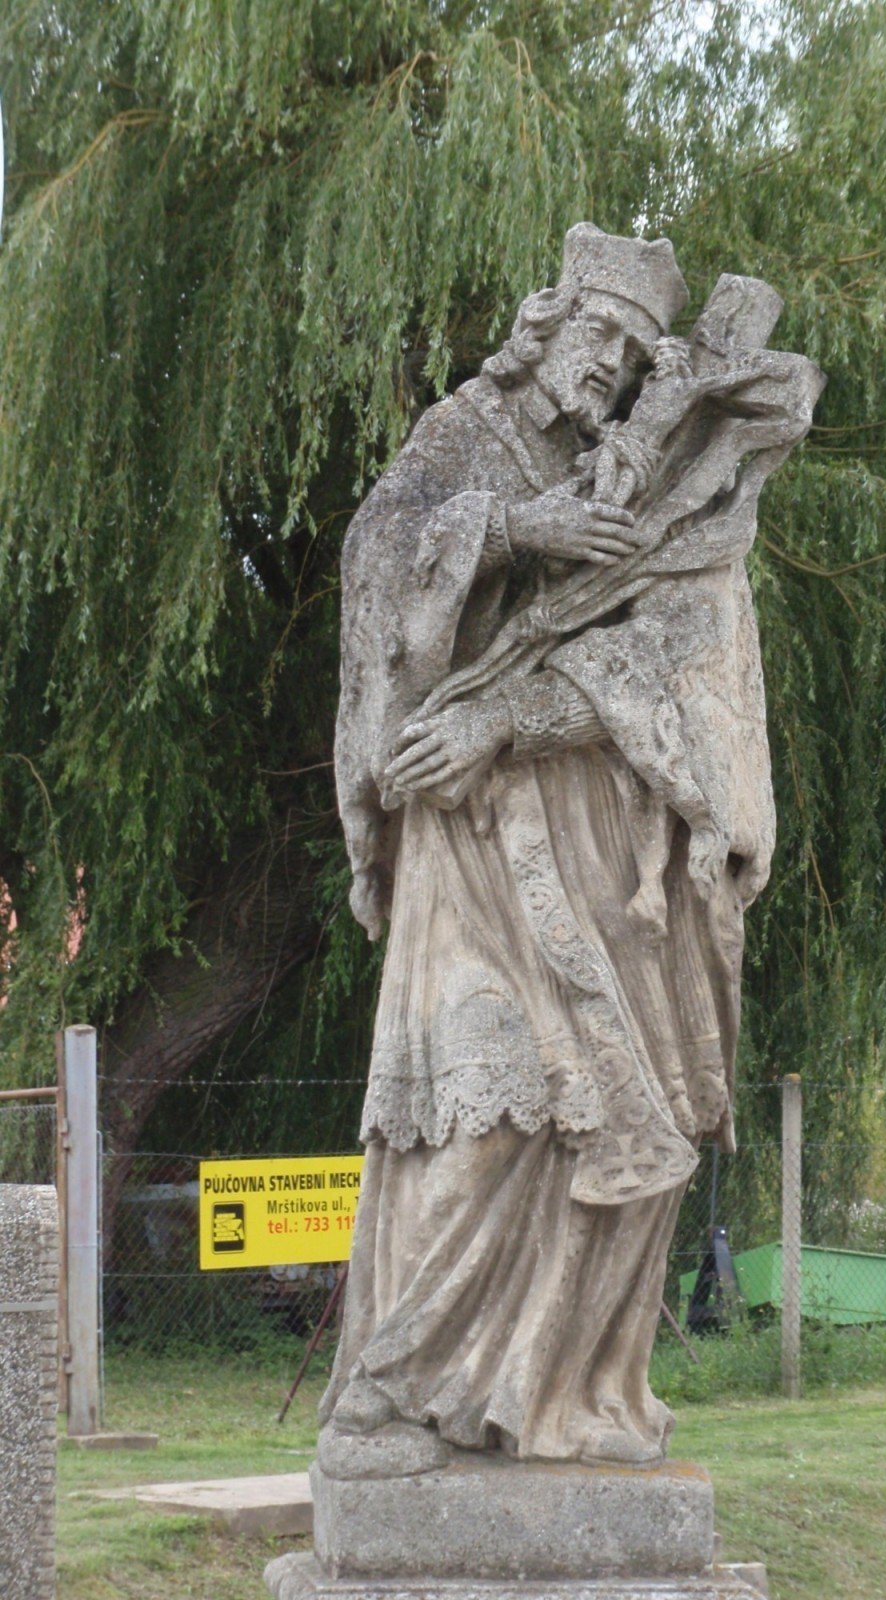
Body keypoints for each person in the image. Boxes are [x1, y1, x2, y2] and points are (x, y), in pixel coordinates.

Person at [323, 224, 794, 1466]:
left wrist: (512, 710)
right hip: (468, 849)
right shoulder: (462, 438)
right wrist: (518, 533)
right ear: (550, 324)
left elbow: (693, 672)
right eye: (603, 340)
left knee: (583, 1125)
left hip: (599, 856)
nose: (612, 372)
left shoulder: (641, 485)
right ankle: (392, 1391)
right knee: (475, 1109)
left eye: (638, 358)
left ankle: (549, 1393)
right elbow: (374, 571)